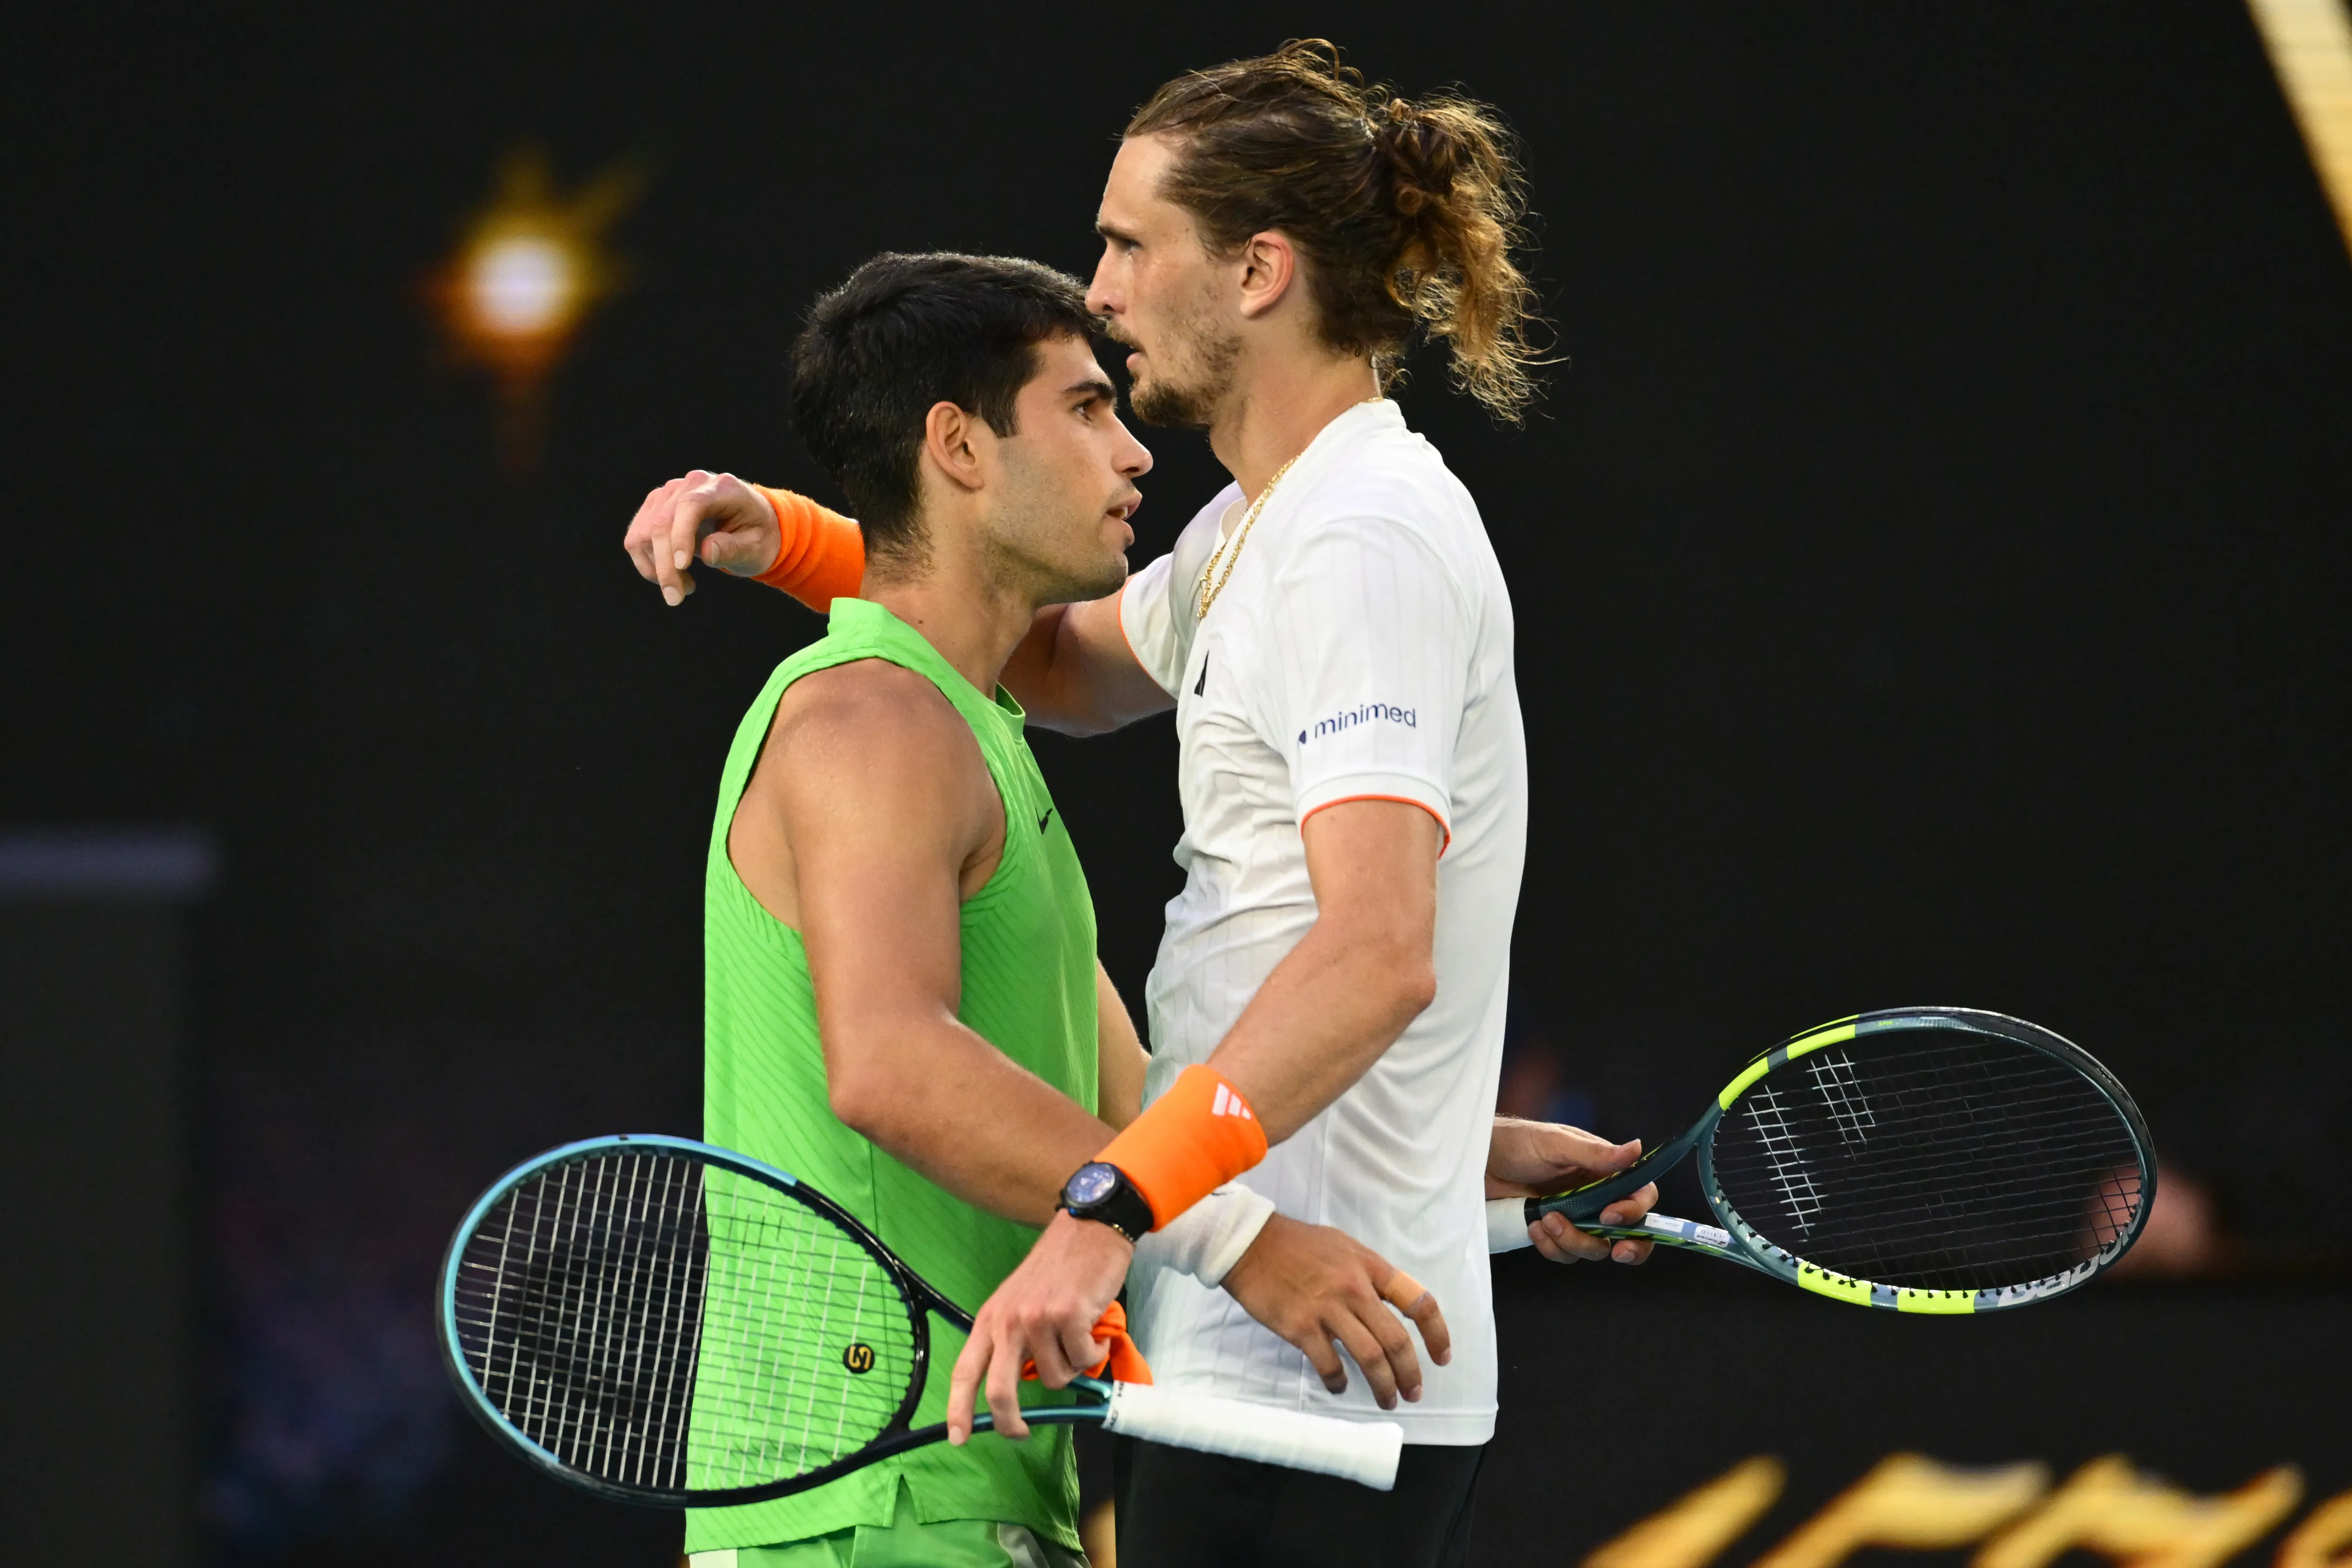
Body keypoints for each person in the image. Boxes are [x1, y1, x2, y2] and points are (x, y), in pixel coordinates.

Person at [625, 43, 1664, 1568]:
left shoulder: (1358, 542)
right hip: (1263, 1330)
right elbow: (1027, 646)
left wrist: (1119, 1211)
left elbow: (1375, 952)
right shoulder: (1259, 534)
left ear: (1256, 270)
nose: (1099, 285)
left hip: (1301, 1358)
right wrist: (787, 538)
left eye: (1127, 244)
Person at [685, 249, 1470, 1568]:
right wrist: (1247, 1247)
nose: (1135, 454)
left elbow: (1140, 1105)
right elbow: (891, 1065)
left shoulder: (973, 731)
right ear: (959, 448)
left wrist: (1452, 1145)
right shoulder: (869, 721)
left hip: (973, 1502)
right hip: (863, 1513)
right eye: (1085, 408)